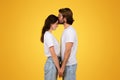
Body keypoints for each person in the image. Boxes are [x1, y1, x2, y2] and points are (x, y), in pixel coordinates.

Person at [58, 8, 78, 80]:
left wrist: (62, 67)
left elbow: (68, 50)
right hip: (67, 65)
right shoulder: (67, 30)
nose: (58, 18)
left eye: (59, 16)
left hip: (69, 66)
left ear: (65, 18)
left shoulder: (70, 31)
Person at [40, 14, 61, 80]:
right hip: (52, 64)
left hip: (53, 63)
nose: (57, 26)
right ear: (51, 23)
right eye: (56, 23)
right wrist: (59, 68)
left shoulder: (49, 35)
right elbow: (53, 54)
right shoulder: (48, 35)